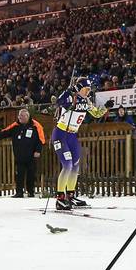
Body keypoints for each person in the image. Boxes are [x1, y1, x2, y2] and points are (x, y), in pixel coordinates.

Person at [51, 78, 107, 210]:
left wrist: (106, 107)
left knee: (75, 167)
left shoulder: (86, 101)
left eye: (89, 90)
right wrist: (68, 91)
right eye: (86, 89)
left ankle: (71, 196)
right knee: (67, 165)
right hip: (61, 134)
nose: (88, 92)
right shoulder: (71, 97)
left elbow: (96, 114)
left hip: (72, 135)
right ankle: (60, 199)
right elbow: (58, 101)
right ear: (79, 88)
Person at [0, 108, 46, 197]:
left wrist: (38, 150)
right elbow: (4, 133)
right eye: (19, 116)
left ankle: (31, 191)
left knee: (31, 174)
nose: (20, 118)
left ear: (27, 116)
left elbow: (41, 140)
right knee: (19, 175)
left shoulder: (36, 125)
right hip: (19, 155)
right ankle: (19, 192)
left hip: (32, 155)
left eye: (21, 116)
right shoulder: (15, 125)